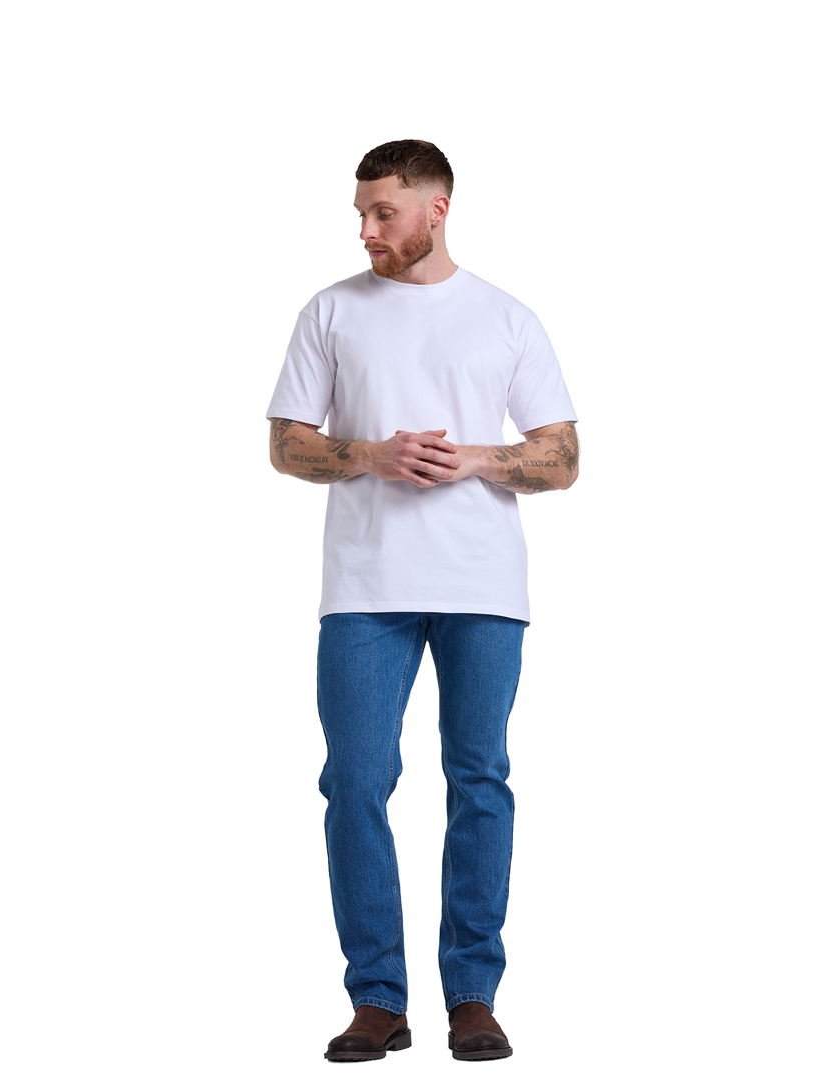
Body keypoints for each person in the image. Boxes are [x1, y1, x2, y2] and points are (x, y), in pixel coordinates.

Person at [267, 140, 579, 1062]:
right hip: (364, 589)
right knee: (355, 782)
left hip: (482, 583)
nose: (368, 230)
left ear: (436, 209)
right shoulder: (331, 311)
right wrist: (370, 454)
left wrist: (476, 457)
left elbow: (564, 456)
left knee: (479, 781)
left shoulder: (506, 317)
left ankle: (472, 996)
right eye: (361, 214)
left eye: (384, 213)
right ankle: (377, 998)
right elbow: (286, 443)